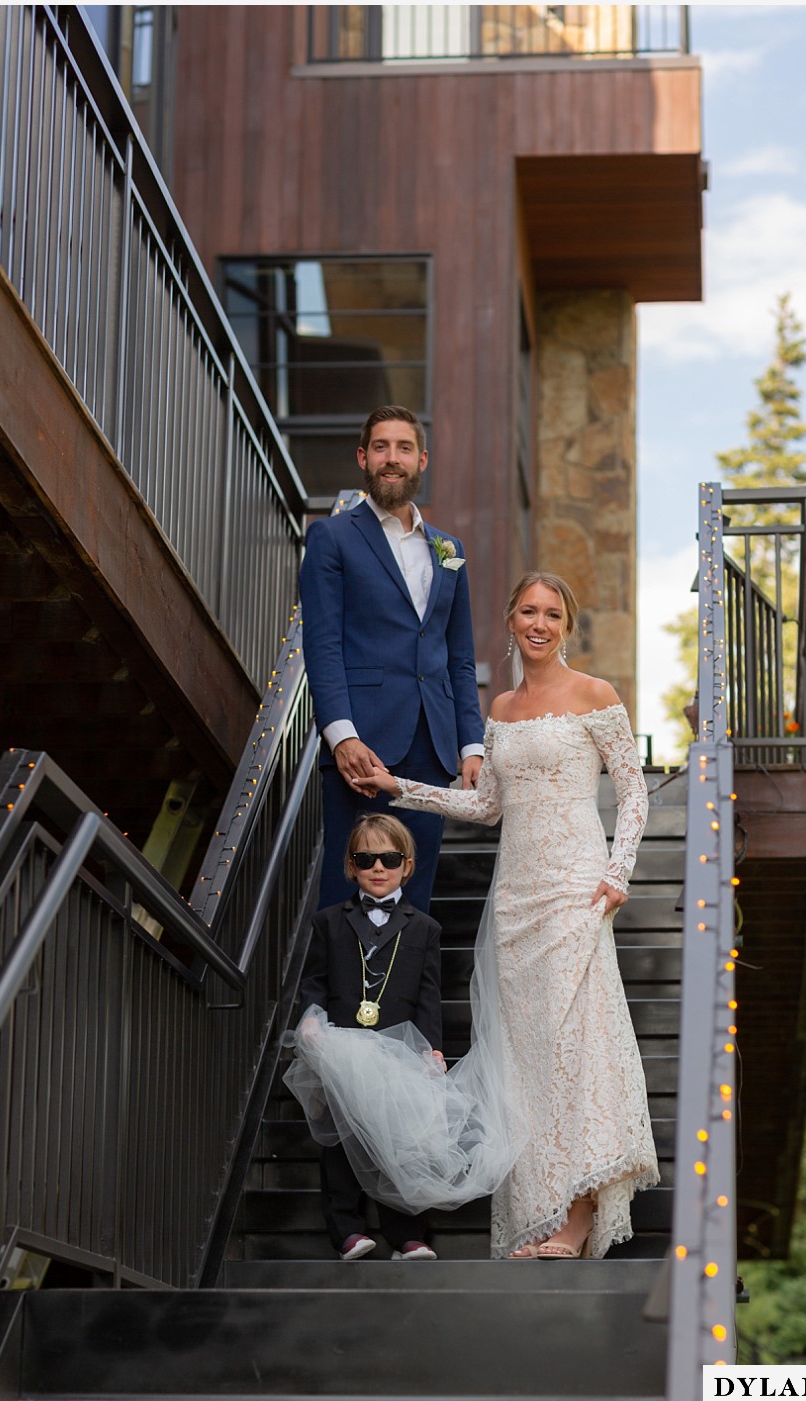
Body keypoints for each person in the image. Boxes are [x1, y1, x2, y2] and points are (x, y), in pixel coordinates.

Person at [356, 571, 659, 1260]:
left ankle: (579, 1215)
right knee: (525, 1061)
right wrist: (400, 788)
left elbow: (635, 793)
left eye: (553, 613)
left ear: (567, 624)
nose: (540, 623)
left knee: (574, 1045)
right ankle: (544, 1211)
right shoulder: (501, 708)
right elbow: (486, 805)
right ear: (511, 619)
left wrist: (619, 871)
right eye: (529, 610)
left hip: (577, 887)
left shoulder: (596, 696)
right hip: (517, 897)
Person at [298, 405, 485, 913]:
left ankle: (401, 997)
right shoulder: (332, 537)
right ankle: (337, 996)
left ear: (422, 460)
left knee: (413, 899)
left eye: (404, 448)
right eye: (381, 447)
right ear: (363, 457)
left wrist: (472, 743)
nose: (392, 459)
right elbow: (322, 643)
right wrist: (342, 736)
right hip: (364, 748)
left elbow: (459, 657)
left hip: (432, 748)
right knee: (349, 895)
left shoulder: (450, 549)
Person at [287, 813, 445, 1261]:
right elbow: (314, 978)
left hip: (399, 1049)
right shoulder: (329, 922)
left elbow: (430, 995)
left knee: (402, 1141)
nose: (379, 868)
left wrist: (432, 1046)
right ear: (351, 865)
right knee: (340, 1138)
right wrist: (311, 1017)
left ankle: (406, 1233)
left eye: (390, 858)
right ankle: (347, 1230)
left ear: (408, 865)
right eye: (366, 858)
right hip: (343, 1046)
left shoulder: (424, 928)